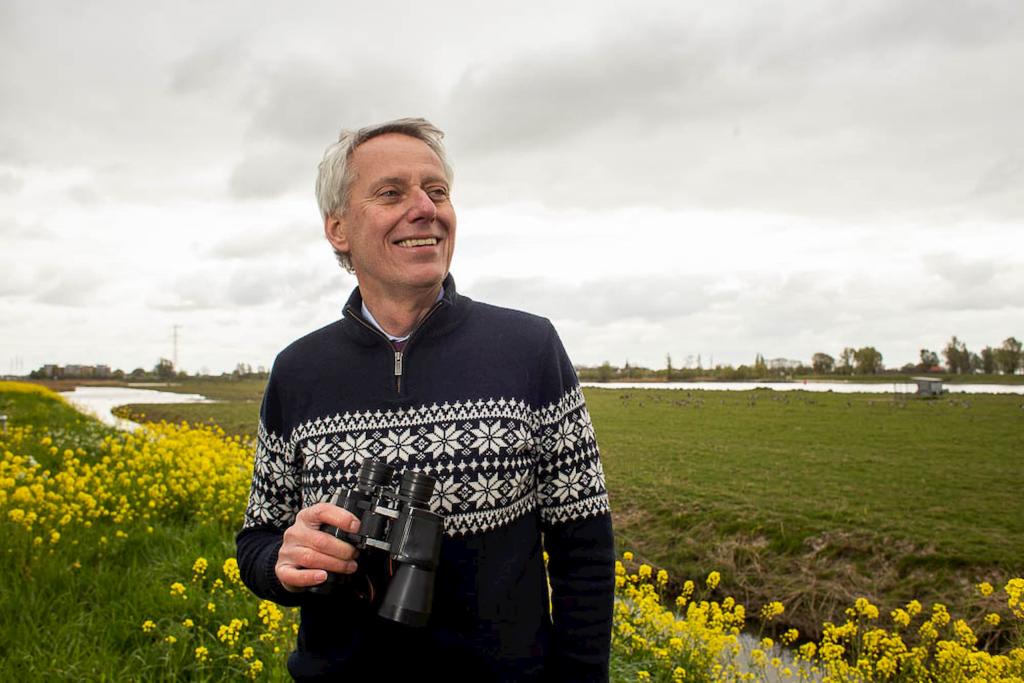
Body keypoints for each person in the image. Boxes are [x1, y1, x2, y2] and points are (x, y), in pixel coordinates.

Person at [236, 118, 614, 682]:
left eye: (436, 191)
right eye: (392, 193)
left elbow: (582, 545)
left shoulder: (529, 347)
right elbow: (260, 537)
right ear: (338, 229)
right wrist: (284, 564)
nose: (425, 208)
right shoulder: (298, 370)